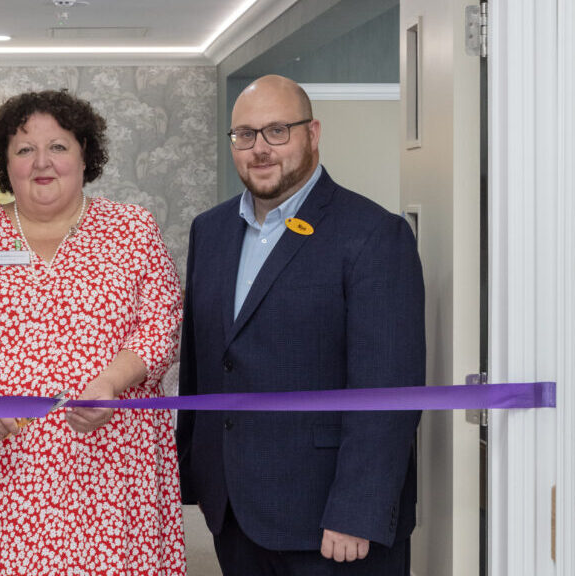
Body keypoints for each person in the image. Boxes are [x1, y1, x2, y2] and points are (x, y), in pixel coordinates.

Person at [0, 90, 186, 575]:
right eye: (23, 149)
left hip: (107, 467)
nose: (42, 162)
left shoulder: (132, 230)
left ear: (84, 154)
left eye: (57, 146)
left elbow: (161, 325)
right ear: (5, 163)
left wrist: (110, 383)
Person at [176, 75, 425, 576]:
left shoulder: (375, 235)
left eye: (276, 131)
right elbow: (204, 360)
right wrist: (200, 476)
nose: (259, 149)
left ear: (313, 133)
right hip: (234, 512)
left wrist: (358, 510)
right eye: (244, 135)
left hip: (332, 523)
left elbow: (388, 390)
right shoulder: (212, 230)